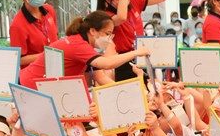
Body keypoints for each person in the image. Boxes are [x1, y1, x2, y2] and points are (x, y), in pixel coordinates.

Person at [19, 11, 150, 90]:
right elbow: (107, 64)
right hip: (30, 86)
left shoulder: (85, 47)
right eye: (107, 34)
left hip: (41, 86)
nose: (109, 39)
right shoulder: (78, 45)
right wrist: (136, 52)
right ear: (92, 31)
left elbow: (101, 78)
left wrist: (127, 90)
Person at [96, 0, 167, 81]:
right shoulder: (106, 16)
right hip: (124, 60)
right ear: (108, 0)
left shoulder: (134, 1)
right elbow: (122, 17)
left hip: (141, 55)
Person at [9, 0, 59, 67]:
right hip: (34, 72)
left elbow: (55, 37)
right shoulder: (17, 25)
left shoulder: (49, 11)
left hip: (55, 67)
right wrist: (46, 55)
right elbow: (19, 59)